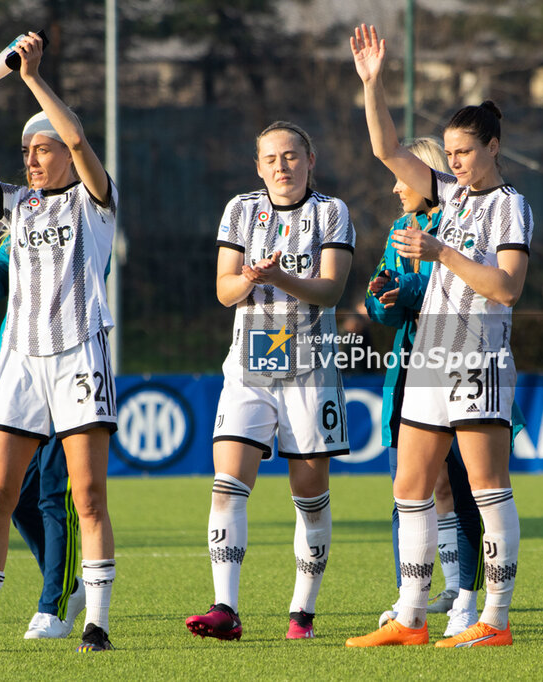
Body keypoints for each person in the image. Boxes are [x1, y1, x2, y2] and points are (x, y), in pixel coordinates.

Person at [346, 24, 533, 648]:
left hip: (478, 357)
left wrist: (441, 250)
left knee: (486, 487)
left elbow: (506, 288)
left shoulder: (512, 205)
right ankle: (412, 616)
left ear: (493, 147)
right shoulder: (447, 194)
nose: (453, 163)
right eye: (449, 154)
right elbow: (386, 149)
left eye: (464, 152)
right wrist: (373, 85)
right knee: (411, 486)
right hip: (428, 359)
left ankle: (495, 621)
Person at [0, 31, 118, 653]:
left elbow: (76, 136)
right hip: (19, 359)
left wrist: (30, 77)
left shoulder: (95, 202)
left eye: (44, 149)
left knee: (88, 494)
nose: (35, 159)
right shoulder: (13, 206)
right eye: (28, 151)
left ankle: (95, 621)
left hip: (78, 353)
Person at [184, 120, 354, 641]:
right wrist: (250, 279)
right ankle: (224, 609)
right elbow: (223, 290)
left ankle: (301, 613)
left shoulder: (332, 212)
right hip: (249, 367)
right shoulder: (240, 210)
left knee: (309, 493)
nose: (282, 166)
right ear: (258, 167)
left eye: (292, 156)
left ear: (310, 161)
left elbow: (329, 291)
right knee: (228, 484)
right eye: (272, 158)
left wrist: (278, 277)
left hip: (311, 367)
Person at [366, 136, 504, 638]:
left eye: (402, 177)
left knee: (467, 486)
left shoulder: (473, 214)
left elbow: (483, 285)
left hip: (466, 357)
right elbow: (385, 296)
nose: (394, 187)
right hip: (410, 364)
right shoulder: (401, 229)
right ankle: (413, 606)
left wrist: (416, 287)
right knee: (413, 486)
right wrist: (383, 295)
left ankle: (469, 603)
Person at [0, 206, 86, 639]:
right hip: (20, 377)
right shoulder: (17, 233)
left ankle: (54, 603)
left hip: (70, 367)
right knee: (15, 497)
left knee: (56, 491)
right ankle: (68, 583)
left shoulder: (82, 222)